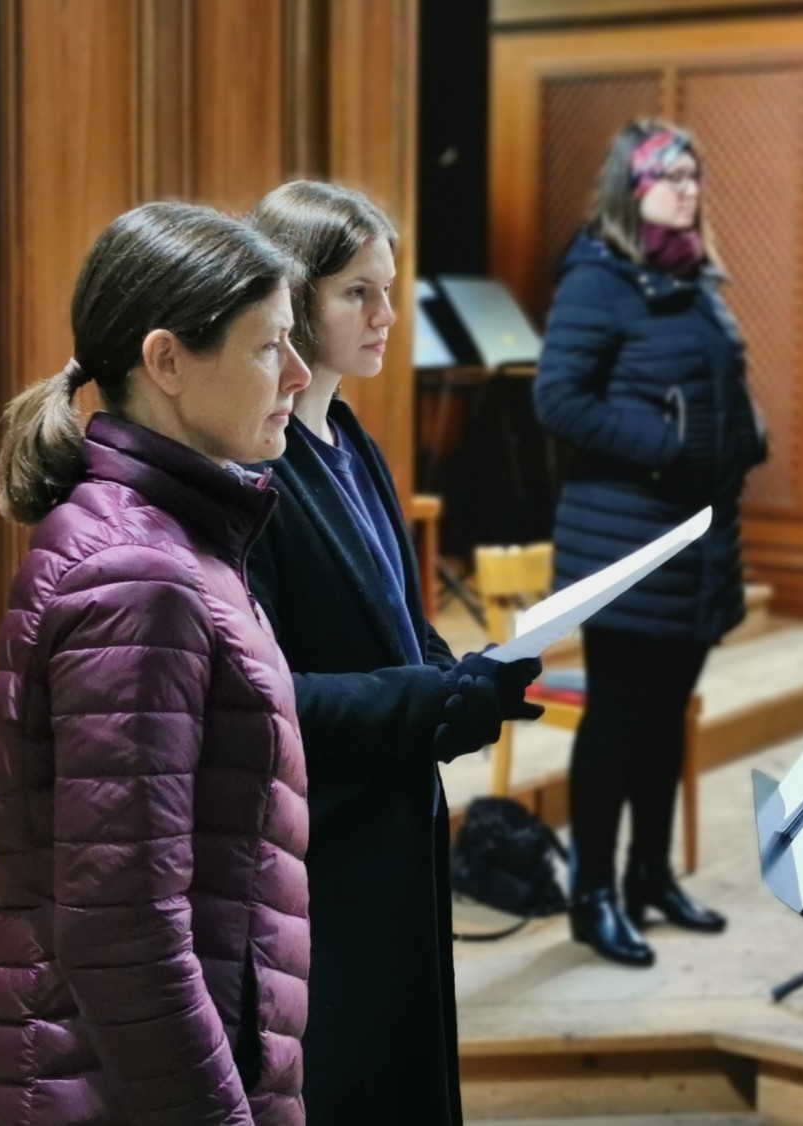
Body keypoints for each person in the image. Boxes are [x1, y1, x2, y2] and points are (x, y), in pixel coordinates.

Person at [0, 202, 313, 1125]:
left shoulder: (174, 540)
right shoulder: (138, 573)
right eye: (267, 347)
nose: (297, 372)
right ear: (165, 361)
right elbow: (124, 932)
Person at [246, 180, 542, 1124]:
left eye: (389, 290)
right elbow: (264, 693)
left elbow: (397, 623)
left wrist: (463, 676)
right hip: (325, 849)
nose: (385, 316)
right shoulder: (256, 466)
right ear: (294, 298)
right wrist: (435, 700)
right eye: (357, 293)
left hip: (397, 825)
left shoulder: (349, 437)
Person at [534, 120, 769, 968]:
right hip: (625, 539)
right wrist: (668, 447)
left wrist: (747, 434)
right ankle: (593, 894)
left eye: (693, 176)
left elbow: (718, 382)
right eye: (669, 177)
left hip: (698, 540)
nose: (687, 189)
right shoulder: (598, 279)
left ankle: (649, 876)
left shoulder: (696, 277)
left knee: (667, 718)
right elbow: (558, 399)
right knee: (618, 721)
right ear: (630, 190)